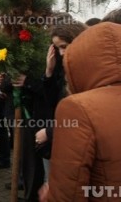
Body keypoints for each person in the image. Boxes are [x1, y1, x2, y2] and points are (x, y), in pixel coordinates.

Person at [39, 22, 121, 201]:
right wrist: (49, 72)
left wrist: (53, 193)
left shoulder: (78, 106)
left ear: (82, 46)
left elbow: (69, 188)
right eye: (57, 48)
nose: (62, 53)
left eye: (64, 47)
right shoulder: (62, 69)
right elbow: (52, 101)